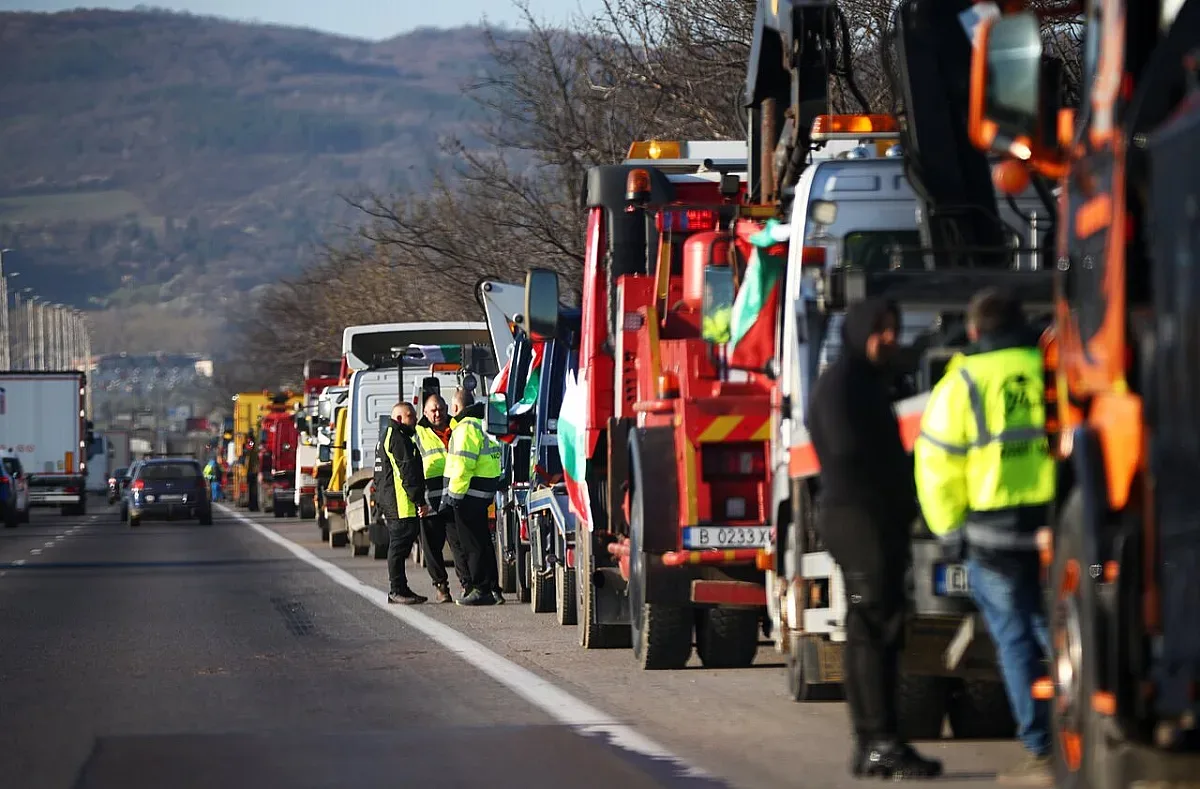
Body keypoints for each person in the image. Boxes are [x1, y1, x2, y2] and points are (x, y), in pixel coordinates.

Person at [914, 287, 1055, 787]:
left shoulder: (962, 382)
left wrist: (949, 531)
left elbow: (936, 467)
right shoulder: (1051, 368)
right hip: (1053, 525)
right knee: (1058, 627)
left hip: (991, 535)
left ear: (975, 331)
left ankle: (1041, 747)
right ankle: (1088, 722)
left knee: (1014, 636)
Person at [806, 297, 943, 780]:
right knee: (876, 629)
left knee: (872, 630)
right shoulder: (843, 385)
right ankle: (880, 740)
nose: (890, 337)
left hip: (869, 517)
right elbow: (847, 454)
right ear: (860, 329)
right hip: (858, 519)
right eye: (881, 328)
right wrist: (895, 485)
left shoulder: (864, 382)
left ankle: (873, 744)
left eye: (895, 327)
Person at [442, 388, 504, 606]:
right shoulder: (480, 424)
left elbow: (462, 466)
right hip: (482, 490)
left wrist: (453, 497)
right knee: (484, 542)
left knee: (472, 544)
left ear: (456, 407)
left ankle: (481, 589)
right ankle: (493, 587)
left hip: (468, 493)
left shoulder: (464, 428)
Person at [414, 393, 467, 603]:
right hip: (430, 500)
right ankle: (441, 586)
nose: (438, 413)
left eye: (441, 409)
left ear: (447, 409)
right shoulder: (418, 433)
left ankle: (466, 584)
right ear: (425, 413)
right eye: (433, 410)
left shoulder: (457, 427)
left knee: (459, 545)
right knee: (432, 548)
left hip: (453, 497)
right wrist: (419, 500)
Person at [379, 402, 432, 605]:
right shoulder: (398, 438)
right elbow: (408, 472)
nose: (415, 421)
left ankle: (401, 588)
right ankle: (396, 590)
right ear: (401, 418)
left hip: (396, 502)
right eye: (412, 417)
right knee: (399, 547)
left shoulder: (391, 435)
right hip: (401, 503)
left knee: (400, 547)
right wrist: (419, 500)